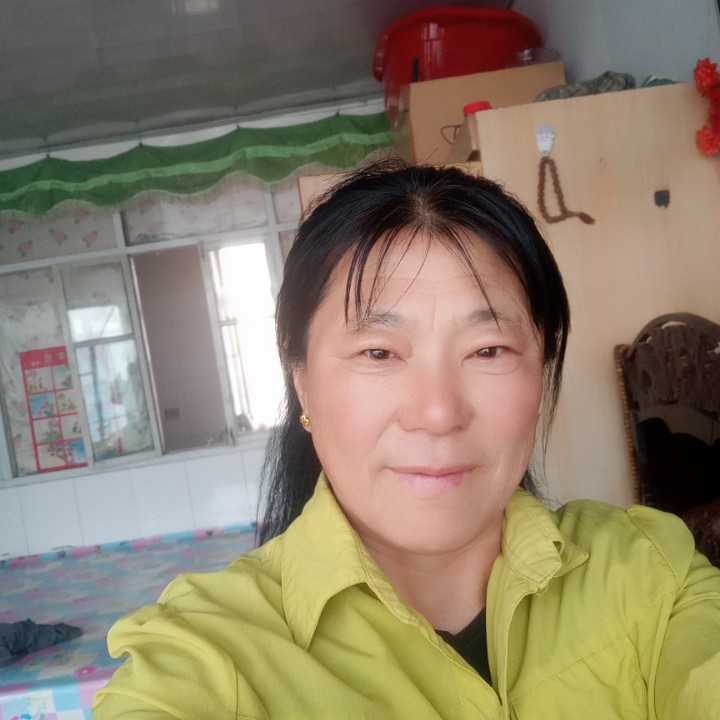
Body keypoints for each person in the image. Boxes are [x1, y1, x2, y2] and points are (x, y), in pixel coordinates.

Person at [93, 161, 720, 719]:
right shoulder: (209, 658)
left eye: (488, 349)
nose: (438, 413)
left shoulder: (651, 576)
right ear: (301, 379)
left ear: (543, 365)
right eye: (378, 352)